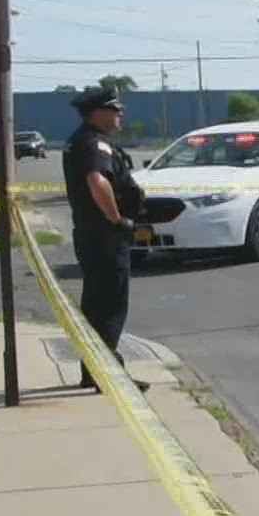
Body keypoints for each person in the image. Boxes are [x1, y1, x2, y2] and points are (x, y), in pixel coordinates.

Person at [62, 86, 149, 393]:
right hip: (105, 237)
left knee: (97, 306)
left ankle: (95, 371)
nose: (120, 114)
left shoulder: (84, 141)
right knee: (109, 308)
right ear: (98, 113)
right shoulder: (93, 144)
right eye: (115, 109)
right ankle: (107, 373)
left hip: (94, 236)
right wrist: (116, 219)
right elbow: (97, 181)